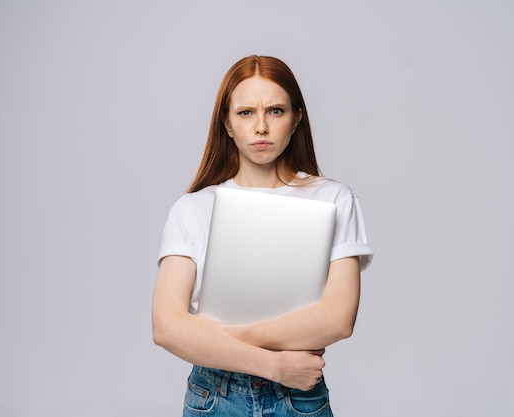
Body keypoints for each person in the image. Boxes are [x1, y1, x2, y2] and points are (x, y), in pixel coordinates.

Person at [152, 55, 373, 417]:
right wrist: (272, 365)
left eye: (274, 111)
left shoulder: (333, 199)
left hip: (298, 398)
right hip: (216, 396)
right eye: (245, 113)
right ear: (226, 123)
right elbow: (167, 327)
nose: (260, 127)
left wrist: (223, 336)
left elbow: (337, 319)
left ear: (296, 118)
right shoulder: (191, 209)